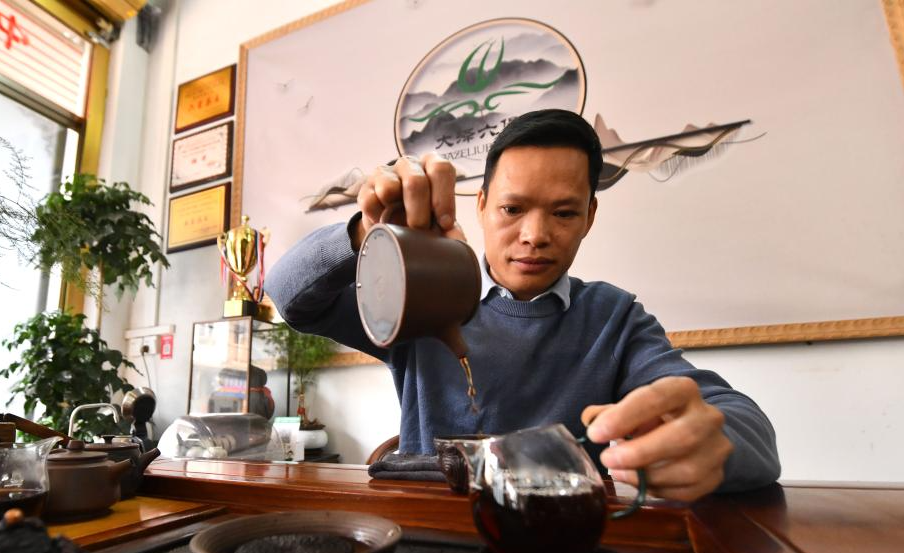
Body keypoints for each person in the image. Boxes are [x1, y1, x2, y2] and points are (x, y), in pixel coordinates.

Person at [265, 109, 780, 500]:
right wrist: (363, 233)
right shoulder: (420, 301)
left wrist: (714, 445)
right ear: (481, 204)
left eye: (563, 213)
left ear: (590, 216)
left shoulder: (613, 319)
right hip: (430, 531)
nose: (535, 235)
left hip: (555, 545)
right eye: (512, 208)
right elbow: (289, 294)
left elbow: (743, 423)